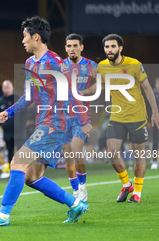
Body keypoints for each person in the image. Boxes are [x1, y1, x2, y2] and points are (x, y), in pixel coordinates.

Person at [0, 16, 93, 227]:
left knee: (16, 163)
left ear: (36, 37)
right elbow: (29, 97)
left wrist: (83, 121)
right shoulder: (31, 63)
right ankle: (75, 204)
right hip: (45, 123)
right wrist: (8, 112)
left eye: (25, 36)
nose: (22, 40)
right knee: (31, 176)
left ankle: (2, 216)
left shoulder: (55, 62)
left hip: (55, 124)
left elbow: (72, 93)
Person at [81, 34, 159, 203]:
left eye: (112, 46)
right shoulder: (103, 66)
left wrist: (155, 112)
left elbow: (147, 88)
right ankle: (127, 184)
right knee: (111, 150)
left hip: (137, 116)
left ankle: (137, 192)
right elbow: (100, 85)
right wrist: (83, 92)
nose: (109, 50)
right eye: (106, 47)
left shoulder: (134, 64)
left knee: (139, 153)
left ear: (120, 48)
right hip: (117, 116)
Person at [62, 34, 97, 202]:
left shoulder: (91, 66)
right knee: (68, 155)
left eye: (75, 45)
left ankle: (82, 186)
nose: (72, 49)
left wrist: (85, 91)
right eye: (69, 46)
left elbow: (100, 84)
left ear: (81, 47)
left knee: (76, 150)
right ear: (66, 48)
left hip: (82, 117)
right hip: (63, 116)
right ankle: (75, 190)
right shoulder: (60, 66)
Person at [0, 80, 26, 179]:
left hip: (19, 130)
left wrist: (21, 125)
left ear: (12, 87)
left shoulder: (19, 99)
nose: (7, 90)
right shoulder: (0, 102)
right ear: (2, 89)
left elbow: (25, 113)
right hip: (7, 132)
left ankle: (23, 169)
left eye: (8, 87)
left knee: (21, 150)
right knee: (9, 151)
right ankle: (11, 170)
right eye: (5, 88)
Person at [151, 77, 159, 170]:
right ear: (155, 85)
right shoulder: (153, 94)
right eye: (158, 84)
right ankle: (154, 160)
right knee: (155, 141)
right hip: (156, 120)